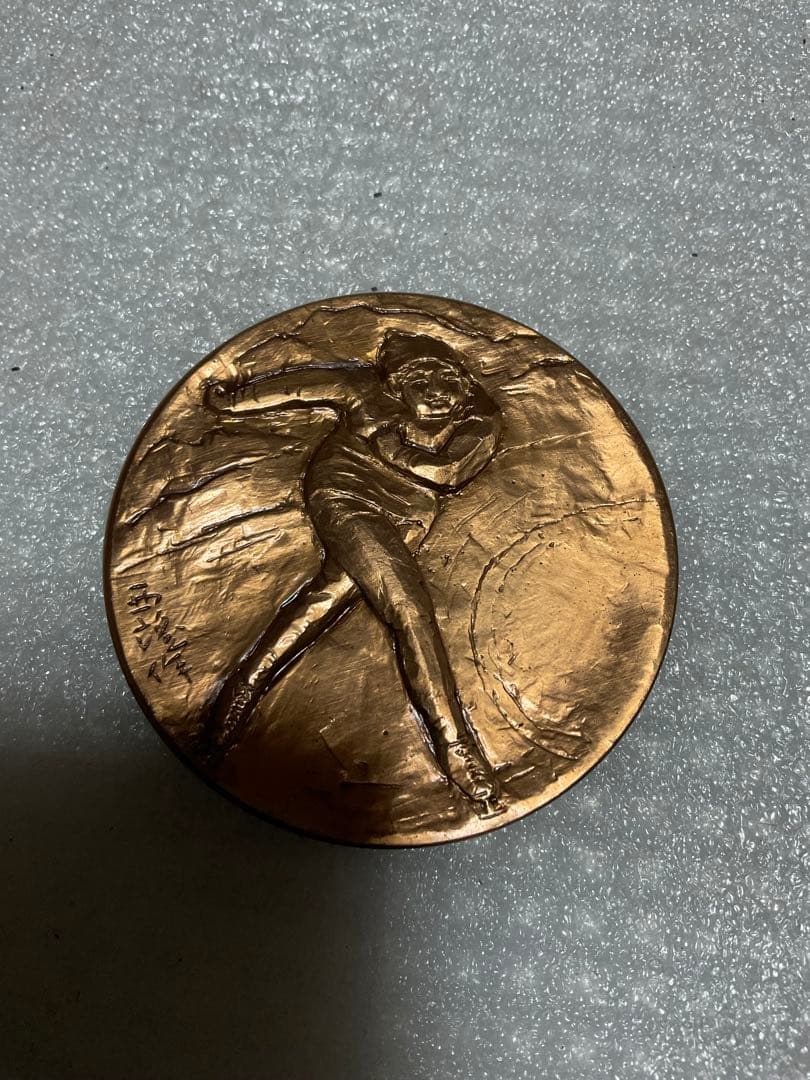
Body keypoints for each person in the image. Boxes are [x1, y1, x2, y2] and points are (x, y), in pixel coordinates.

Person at [197, 330, 503, 814]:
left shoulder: (481, 418)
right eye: (419, 382)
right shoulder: (362, 388)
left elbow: (447, 472)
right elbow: (301, 386)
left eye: (446, 380)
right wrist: (232, 401)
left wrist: (387, 443)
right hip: (345, 492)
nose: (436, 392)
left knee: (323, 601)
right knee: (409, 610)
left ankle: (242, 687)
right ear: (396, 385)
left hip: (409, 514)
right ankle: (456, 747)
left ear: (464, 383)